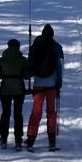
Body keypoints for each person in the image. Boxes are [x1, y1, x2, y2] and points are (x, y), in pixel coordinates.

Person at [26, 23, 63, 152]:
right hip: (52, 85)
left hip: (38, 83)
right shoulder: (56, 47)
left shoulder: (35, 45)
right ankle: (52, 142)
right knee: (51, 112)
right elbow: (59, 65)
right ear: (52, 35)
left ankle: (30, 140)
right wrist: (59, 81)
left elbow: (30, 63)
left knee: (36, 112)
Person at [0, 38, 30, 149]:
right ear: (18, 47)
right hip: (19, 89)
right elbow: (27, 76)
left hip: (5, 89)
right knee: (18, 114)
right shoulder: (22, 59)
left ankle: (3, 138)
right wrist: (30, 70)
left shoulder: (2, 59)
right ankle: (18, 139)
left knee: (5, 113)